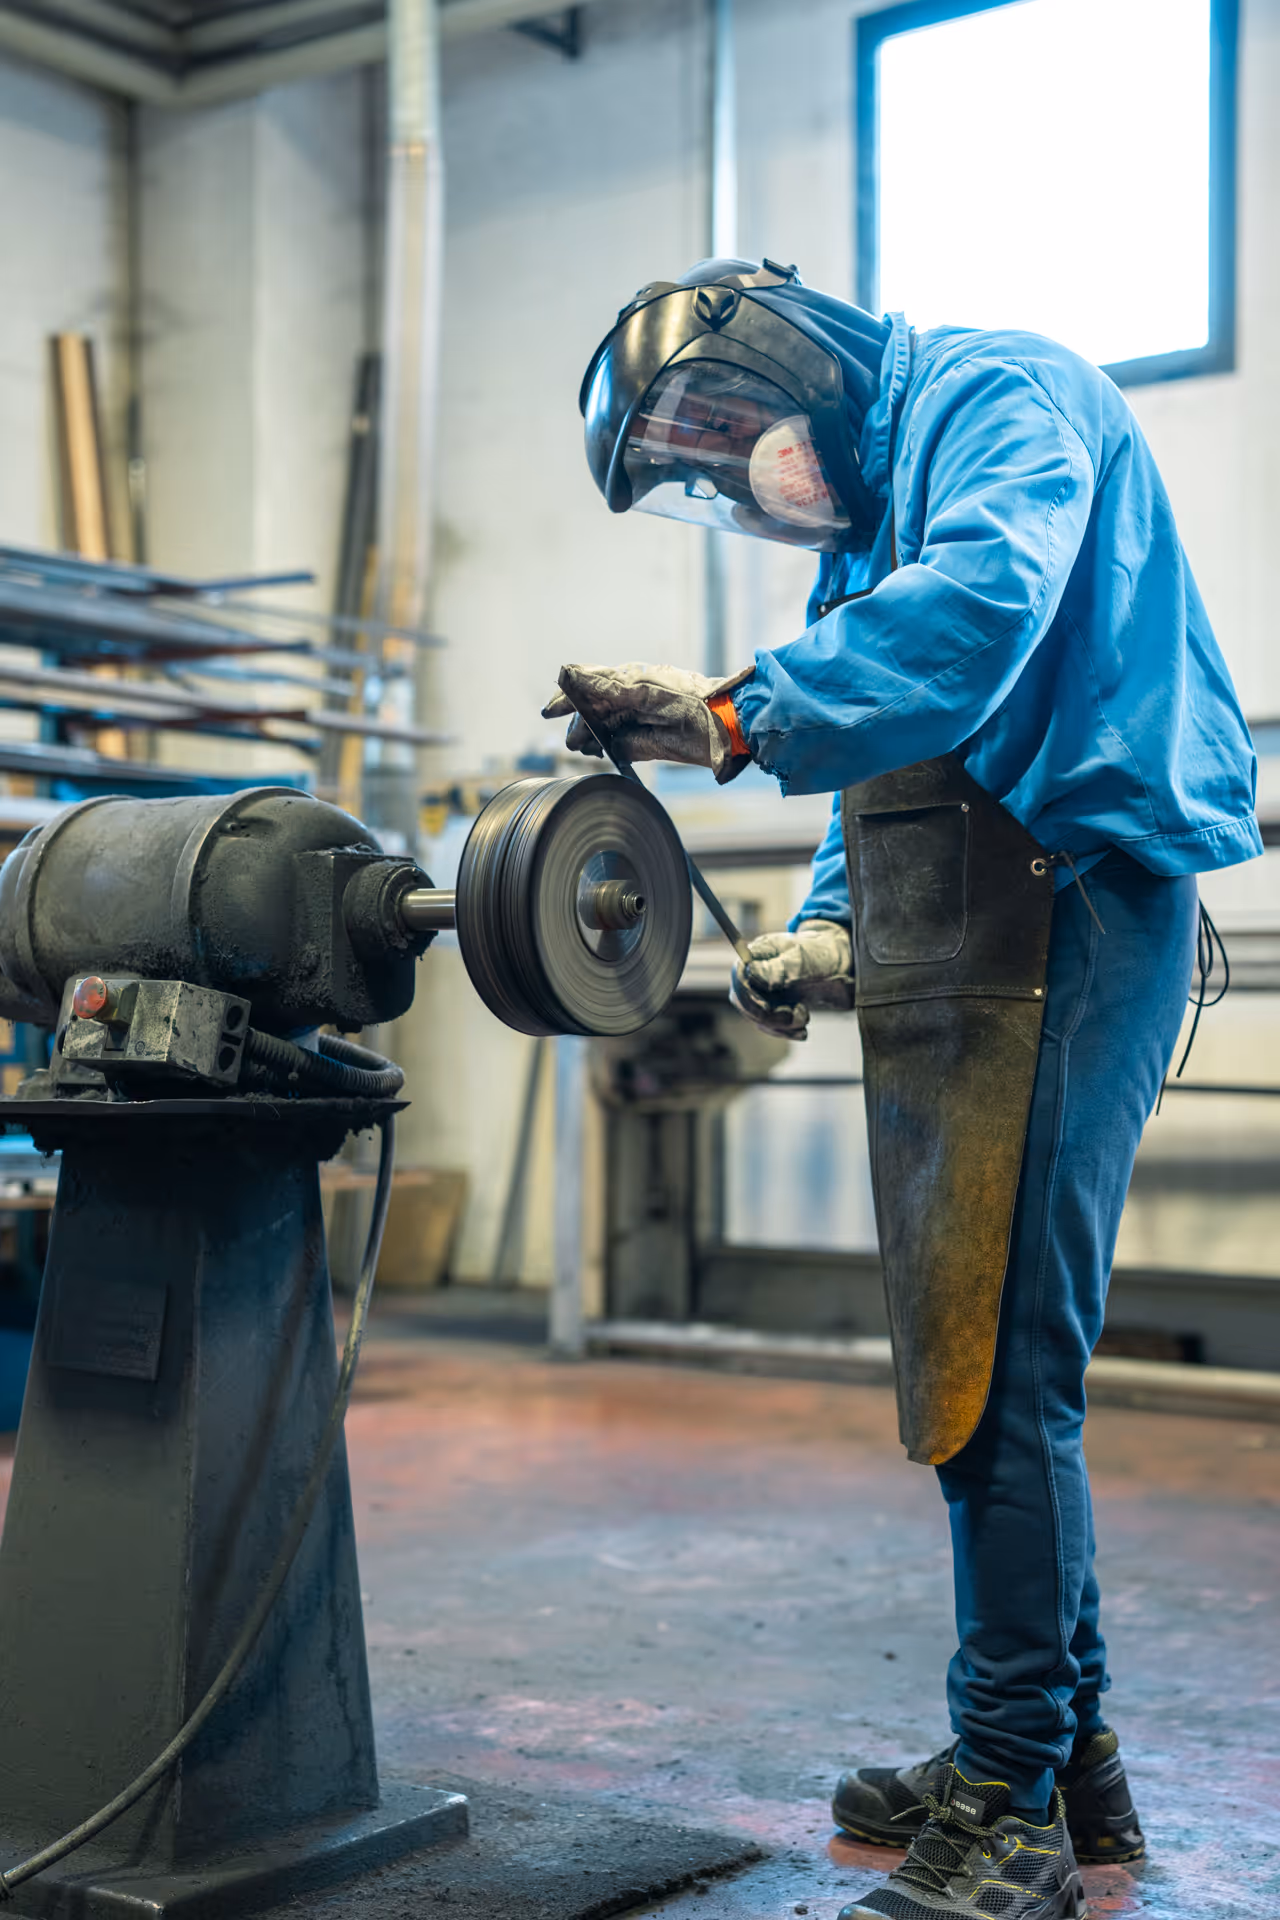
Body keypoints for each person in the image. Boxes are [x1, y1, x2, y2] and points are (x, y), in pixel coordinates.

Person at [543, 258, 1261, 1920]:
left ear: (796, 355)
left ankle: (1003, 1799)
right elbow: (876, 757)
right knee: (971, 1344)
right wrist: (813, 928)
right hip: (975, 917)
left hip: (1087, 901)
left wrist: (725, 714)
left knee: (1006, 1360)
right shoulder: (861, 530)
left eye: (732, 446)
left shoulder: (1000, 397)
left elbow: (974, 618)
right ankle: (1062, 1762)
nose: (743, 487)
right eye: (707, 479)